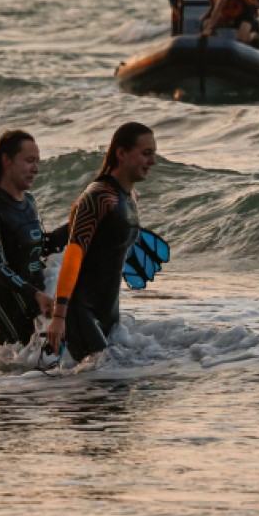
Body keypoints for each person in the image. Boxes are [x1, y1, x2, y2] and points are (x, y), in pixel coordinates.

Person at [44, 122, 156, 362]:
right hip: (80, 310)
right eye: (146, 153)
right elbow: (74, 255)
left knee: (108, 389)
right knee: (102, 384)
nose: (153, 161)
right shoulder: (98, 197)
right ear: (121, 153)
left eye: (153, 154)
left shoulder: (129, 197)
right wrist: (59, 316)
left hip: (108, 313)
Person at [0, 129, 66, 346]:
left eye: (38, 162)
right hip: (2, 308)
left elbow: (42, 248)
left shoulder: (29, 202)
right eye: (29, 161)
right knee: (5, 376)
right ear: (7, 160)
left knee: (35, 375)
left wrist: (81, 221)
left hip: (33, 303)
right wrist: (36, 295)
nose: (36, 169)